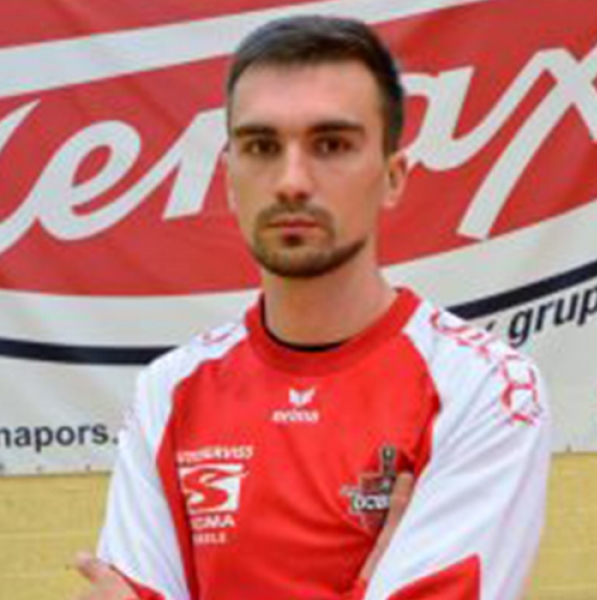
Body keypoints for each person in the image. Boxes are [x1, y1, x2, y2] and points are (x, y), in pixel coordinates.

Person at [74, 15, 551, 600]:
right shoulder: (168, 391)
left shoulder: (487, 387)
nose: (292, 181)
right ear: (228, 178)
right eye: (261, 147)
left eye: (331, 145)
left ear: (393, 177)